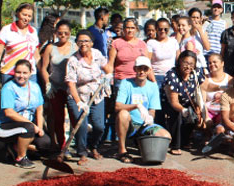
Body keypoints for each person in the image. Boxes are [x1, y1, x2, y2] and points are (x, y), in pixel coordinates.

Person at [0, 59, 52, 169]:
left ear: (30, 73)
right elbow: (9, 113)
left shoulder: (35, 87)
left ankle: (15, 146)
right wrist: (33, 125)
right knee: (28, 128)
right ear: (14, 72)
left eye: (25, 73)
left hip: (26, 125)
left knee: (45, 143)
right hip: (6, 124)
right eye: (18, 72)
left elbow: (39, 109)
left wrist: (40, 128)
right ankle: (20, 157)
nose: (21, 76)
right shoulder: (8, 87)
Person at [115, 56, 171, 163]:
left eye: (145, 69)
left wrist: (150, 117)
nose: (142, 71)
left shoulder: (153, 86)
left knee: (166, 136)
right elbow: (118, 106)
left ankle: (142, 145)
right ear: (135, 69)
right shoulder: (126, 83)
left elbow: (152, 109)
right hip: (130, 123)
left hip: (144, 125)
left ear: (149, 70)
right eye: (139, 68)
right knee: (122, 114)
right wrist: (136, 106)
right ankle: (121, 150)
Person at [65, 30, 108, 165]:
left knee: (99, 126)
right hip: (78, 96)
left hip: (96, 95)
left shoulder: (97, 54)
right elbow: (71, 83)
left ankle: (93, 146)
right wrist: (78, 102)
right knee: (81, 125)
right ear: (76, 43)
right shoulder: (73, 60)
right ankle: (82, 151)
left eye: (86, 41)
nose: (83, 44)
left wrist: (108, 76)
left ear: (92, 43)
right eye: (80, 41)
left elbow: (106, 68)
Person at [39, 20, 77, 149]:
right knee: (58, 117)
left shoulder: (75, 47)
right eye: (60, 33)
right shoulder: (51, 48)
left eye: (66, 33)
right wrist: (47, 84)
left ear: (70, 33)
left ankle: (75, 143)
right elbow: (44, 68)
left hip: (70, 87)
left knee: (74, 116)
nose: (63, 35)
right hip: (55, 87)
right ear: (56, 33)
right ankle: (61, 144)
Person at [163, 51, 206, 155]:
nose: (188, 66)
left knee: (194, 113)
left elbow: (206, 86)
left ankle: (185, 141)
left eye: (191, 64)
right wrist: (184, 110)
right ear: (179, 62)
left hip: (188, 102)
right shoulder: (172, 74)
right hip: (170, 103)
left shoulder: (196, 73)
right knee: (178, 113)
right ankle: (175, 145)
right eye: (185, 63)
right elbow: (173, 102)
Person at [0, 3, 40, 93]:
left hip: (30, 75)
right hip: (9, 73)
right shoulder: (7, 30)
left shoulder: (33, 32)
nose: (26, 18)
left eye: (29, 16)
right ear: (17, 14)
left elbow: (36, 56)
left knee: (30, 103)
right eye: (24, 14)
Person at [147, 17, 178, 91]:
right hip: (156, 76)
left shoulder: (174, 42)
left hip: (171, 76)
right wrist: (153, 80)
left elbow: (178, 60)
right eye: (160, 29)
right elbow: (147, 63)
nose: (163, 31)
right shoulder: (151, 43)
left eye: (165, 29)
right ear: (156, 29)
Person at [201, 53, 231, 129]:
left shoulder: (230, 80)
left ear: (222, 63)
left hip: (224, 112)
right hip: (209, 112)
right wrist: (207, 117)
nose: (212, 64)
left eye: (214, 62)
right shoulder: (205, 79)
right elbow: (202, 102)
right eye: (210, 63)